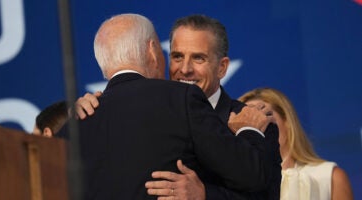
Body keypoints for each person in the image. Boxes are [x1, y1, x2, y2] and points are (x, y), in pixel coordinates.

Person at [59, 13, 273, 199]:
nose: (185, 69)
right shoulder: (84, 114)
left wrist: (205, 195)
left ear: (222, 67)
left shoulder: (258, 121)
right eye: (177, 57)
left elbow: (267, 194)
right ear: (155, 52)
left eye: (198, 58)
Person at [238, 87, 354, 200]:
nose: (258, 127)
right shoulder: (232, 184)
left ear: (287, 122)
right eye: (247, 122)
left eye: (265, 117)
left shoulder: (329, 177)